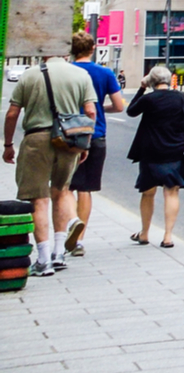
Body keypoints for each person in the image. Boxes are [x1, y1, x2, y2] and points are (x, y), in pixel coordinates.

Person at [2, 46, 97, 275]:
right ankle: (59, 253)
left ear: (44, 53)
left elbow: (12, 113)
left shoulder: (31, 74)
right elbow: (91, 112)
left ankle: (43, 259)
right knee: (62, 191)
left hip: (37, 139)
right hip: (69, 140)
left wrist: (7, 145)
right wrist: (86, 143)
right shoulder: (80, 75)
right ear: (66, 53)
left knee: (38, 198)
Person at [66, 31, 127, 259]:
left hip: (66, 134)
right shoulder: (104, 73)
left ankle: (70, 222)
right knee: (86, 189)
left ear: (71, 50)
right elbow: (119, 106)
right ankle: (79, 239)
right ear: (92, 49)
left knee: (64, 187)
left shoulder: (67, 71)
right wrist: (102, 109)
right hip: (95, 134)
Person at [126, 66, 184, 247]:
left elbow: (131, 111)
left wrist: (141, 88)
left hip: (151, 150)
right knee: (171, 191)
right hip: (176, 150)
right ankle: (167, 237)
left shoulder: (148, 99)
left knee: (148, 192)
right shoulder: (183, 98)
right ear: (170, 79)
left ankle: (144, 233)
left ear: (151, 81)